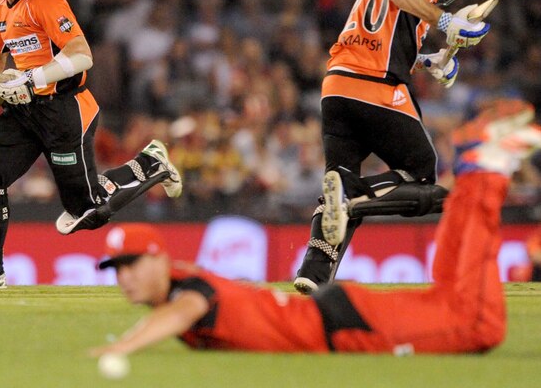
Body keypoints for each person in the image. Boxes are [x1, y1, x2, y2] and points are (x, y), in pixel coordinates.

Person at [92, 99, 541, 356]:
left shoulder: (188, 293)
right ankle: (476, 171)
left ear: (159, 260)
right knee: (453, 297)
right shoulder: (189, 281)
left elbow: (182, 311)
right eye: (118, 269)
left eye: (131, 265)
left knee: (479, 326)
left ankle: (485, 173)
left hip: (345, 325)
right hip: (338, 314)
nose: (123, 279)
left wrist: (121, 347)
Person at [0, 0, 182, 289]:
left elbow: (81, 54)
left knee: (87, 210)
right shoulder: (0, 10)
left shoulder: (47, 0)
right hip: (24, 111)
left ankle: (152, 162)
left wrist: (32, 79)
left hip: (64, 109)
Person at [294, 0, 492, 294]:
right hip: (375, 88)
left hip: (336, 89)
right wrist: (446, 23)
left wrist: (428, 60)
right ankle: (349, 201)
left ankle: (315, 272)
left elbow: (379, 40)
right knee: (421, 174)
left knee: (340, 179)